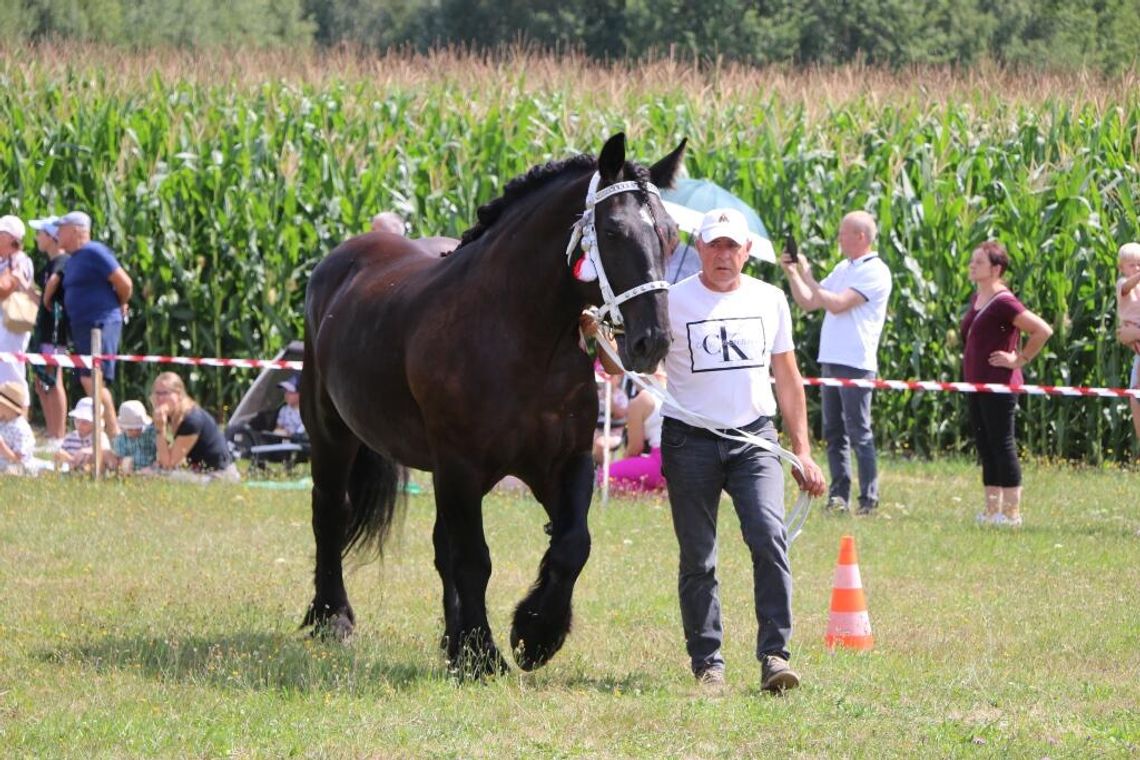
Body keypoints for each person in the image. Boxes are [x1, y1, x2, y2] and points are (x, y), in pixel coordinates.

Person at [658, 208, 825, 693]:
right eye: (715, 245)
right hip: (689, 440)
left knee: (769, 538)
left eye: (733, 246)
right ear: (699, 248)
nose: (724, 255)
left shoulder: (770, 300)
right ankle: (708, 662)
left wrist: (802, 450)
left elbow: (788, 378)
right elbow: (635, 355)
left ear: (747, 251)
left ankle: (775, 656)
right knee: (698, 556)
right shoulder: (671, 301)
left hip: (754, 439)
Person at [780, 211, 892, 515]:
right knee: (834, 433)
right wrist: (793, 274)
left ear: (861, 237)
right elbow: (810, 302)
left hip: (856, 361)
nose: (838, 238)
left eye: (843, 233)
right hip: (831, 360)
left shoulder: (875, 271)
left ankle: (868, 498)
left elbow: (838, 304)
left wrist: (808, 276)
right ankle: (838, 495)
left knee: (859, 432)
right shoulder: (844, 268)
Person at [960, 241, 1053, 527]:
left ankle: (1012, 514)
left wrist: (1019, 358)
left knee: (1002, 444)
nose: (972, 266)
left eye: (979, 262)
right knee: (985, 445)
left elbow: (1042, 330)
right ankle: (991, 512)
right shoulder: (978, 298)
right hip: (976, 384)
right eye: (972, 261)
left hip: (1000, 385)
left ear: (996, 269)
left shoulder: (1003, 301)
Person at [54, 211, 132, 438]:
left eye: (62, 228)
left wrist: (121, 303)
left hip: (100, 323)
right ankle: (106, 434)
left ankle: (114, 433)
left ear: (76, 230)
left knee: (93, 378)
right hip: (82, 326)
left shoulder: (95, 252)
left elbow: (124, 282)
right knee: (88, 379)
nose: (58, 233)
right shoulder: (75, 258)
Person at [150, 371, 239, 482]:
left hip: (220, 476)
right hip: (199, 471)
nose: (159, 398)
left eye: (165, 393)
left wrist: (160, 429)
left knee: (161, 475)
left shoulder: (191, 420)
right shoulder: (173, 414)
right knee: (152, 470)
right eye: (157, 393)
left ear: (179, 394)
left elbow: (168, 465)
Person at [28, 216, 70, 447]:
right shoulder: (48, 265)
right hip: (44, 330)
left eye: (40, 233)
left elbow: (54, 283)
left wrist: (45, 299)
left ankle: (59, 435)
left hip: (55, 330)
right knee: (41, 381)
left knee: (54, 380)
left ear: (52, 237)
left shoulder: (62, 260)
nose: (36, 238)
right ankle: (53, 433)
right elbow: (42, 293)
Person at [599, 365, 667, 493]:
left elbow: (635, 448)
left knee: (602, 477)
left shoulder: (641, 400)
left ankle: (657, 495)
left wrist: (624, 460)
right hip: (691, 463)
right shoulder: (678, 394)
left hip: (662, 462)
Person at [0, 214, 34, 390]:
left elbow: (4, 289)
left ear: (12, 239)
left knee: (11, 373)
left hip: (12, 324)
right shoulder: (4, 262)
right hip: (4, 324)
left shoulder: (20, 261)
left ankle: (18, 417)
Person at [1115, 243, 1140, 445]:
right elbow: (1126, 287)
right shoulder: (1123, 284)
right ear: (1121, 268)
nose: (1137, 268)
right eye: (1132, 264)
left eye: (1139, 264)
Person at [53, 396, 112, 472]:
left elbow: (105, 451)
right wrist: (63, 457)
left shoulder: (100, 437)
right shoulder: (71, 437)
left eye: (85, 422)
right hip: (70, 468)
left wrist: (86, 451)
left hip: (91, 469)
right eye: (77, 421)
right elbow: (62, 452)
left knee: (90, 458)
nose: (79, 425)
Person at [592, 362, 629, 465]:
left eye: (611, 377)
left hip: (613, 432)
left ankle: (604, 473)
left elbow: (620, 415)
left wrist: (610, 398)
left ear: (617, 379)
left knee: (600, 444)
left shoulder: (621, 396)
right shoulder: (598, 394)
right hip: (596, 430)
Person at [109, 400, 158, 475]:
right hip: (131, 470)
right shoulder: (120, 440)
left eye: (138, 429)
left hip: (152, 468)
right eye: (130, 429)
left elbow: (160, 449)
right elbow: (120, 459)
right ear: (124, 428)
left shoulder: (150, 433)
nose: (135, 432)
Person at [0, 380, 36, 474]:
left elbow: (18, 459)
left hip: (15, 466)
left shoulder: (20, 429)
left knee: (10, 470)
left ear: (9, 407)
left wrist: (2, 447)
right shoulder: (3, 422)